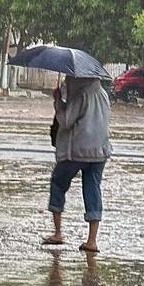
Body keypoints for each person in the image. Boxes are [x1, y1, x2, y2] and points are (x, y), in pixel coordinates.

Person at [43, 76, 112, 253]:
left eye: (68, 78)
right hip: (100, 150)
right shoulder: (103, 94)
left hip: (77, 150)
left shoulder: (80, 95)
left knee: (58, 183)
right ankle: (92, 240)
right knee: (92, 189)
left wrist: (58, 102)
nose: (67, 80)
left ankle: (58, 233)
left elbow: (66, 121)